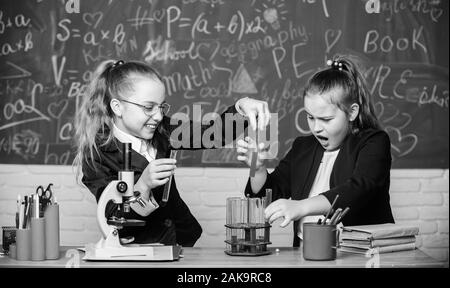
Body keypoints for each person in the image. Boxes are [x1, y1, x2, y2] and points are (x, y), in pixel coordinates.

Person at [73, 59, 270, 247]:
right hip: (137, 248)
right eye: (148, 107)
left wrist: (241, 108)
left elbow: (211, 135)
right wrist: (143, 185)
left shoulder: (162, 129)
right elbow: (112, 217)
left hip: (180, 241)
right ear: (118, 107)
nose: (158, 116)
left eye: (161, 107)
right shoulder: (96, 155)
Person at [236, 55, 394, 247]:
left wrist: (301, 206)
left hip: (359, 255)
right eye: (310, 117)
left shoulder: (374, 142)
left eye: (326, 119)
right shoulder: (302, 147)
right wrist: (258, 168)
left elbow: (359, 189)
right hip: (307, 254)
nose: (316, 128)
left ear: (352, 112)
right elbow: (267, 197)